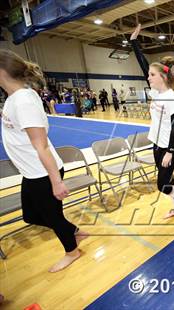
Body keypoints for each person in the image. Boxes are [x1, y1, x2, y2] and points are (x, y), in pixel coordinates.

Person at [0, 49, 88, 273]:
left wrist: (56, 182)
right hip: (32, 172)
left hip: (43, 172)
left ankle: (72, 251)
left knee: (52, 216)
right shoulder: (14, 98)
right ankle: (74, 231)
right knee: (31, 215)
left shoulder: (23, 101)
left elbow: (41, 145)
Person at [131, 24, 174, 219]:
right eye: (149, 75)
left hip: (170, 146)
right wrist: (134, 43)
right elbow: (143, 65)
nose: (148, 77)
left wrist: (170, 152)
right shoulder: (156, 92)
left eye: (152, 75)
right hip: (157, 143)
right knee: (168, 178)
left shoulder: (173, 99)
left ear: (163, 77)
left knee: (162, 184)